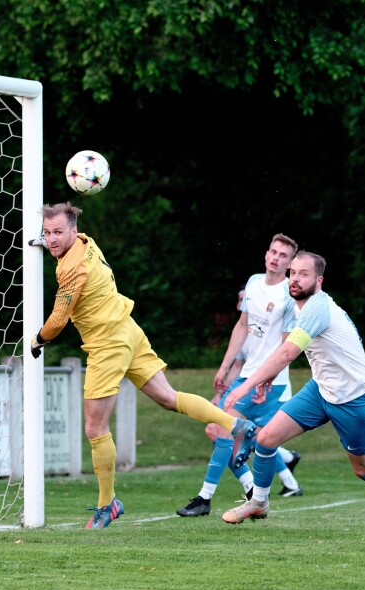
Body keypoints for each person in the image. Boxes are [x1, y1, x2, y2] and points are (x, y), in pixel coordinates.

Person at [30, 202, 258, 529]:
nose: (51, 239)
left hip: (107, 344)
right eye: (47, 233)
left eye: (57, 233)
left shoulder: (71, 269)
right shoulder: (87, 241)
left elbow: (57, 321)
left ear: (72, 231)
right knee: (169, 398)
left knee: (95, 428)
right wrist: (47, 241)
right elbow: (63, 242)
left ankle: (107, 504)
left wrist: (37, 340)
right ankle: (236, 426)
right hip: (128, 330)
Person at [218, 251, 365, 532]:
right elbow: (289, 351)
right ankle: (259, 502)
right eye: (293, 273)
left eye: (304, 274)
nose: (295, 279)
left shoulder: (317, 308)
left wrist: (246, 385)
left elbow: (287, 352)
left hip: (355, 399)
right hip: (320, 391)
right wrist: (267, 377)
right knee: (267, 438)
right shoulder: (298, 306)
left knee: (363, 469)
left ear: (318, 280)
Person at [178, 236, 304, 518]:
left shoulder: (288, 294)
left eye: (283, 255)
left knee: (226, 431)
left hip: (271, 384)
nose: (276, 258)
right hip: (246, 377)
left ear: (290, 263)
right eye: (273, 252)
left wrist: (264, 379)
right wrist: (224, 368)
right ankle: (251, 490)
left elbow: (286, 347)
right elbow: (242, 326)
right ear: (266, 254)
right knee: (220, 431)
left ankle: (206, 498)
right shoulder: (253, 282)